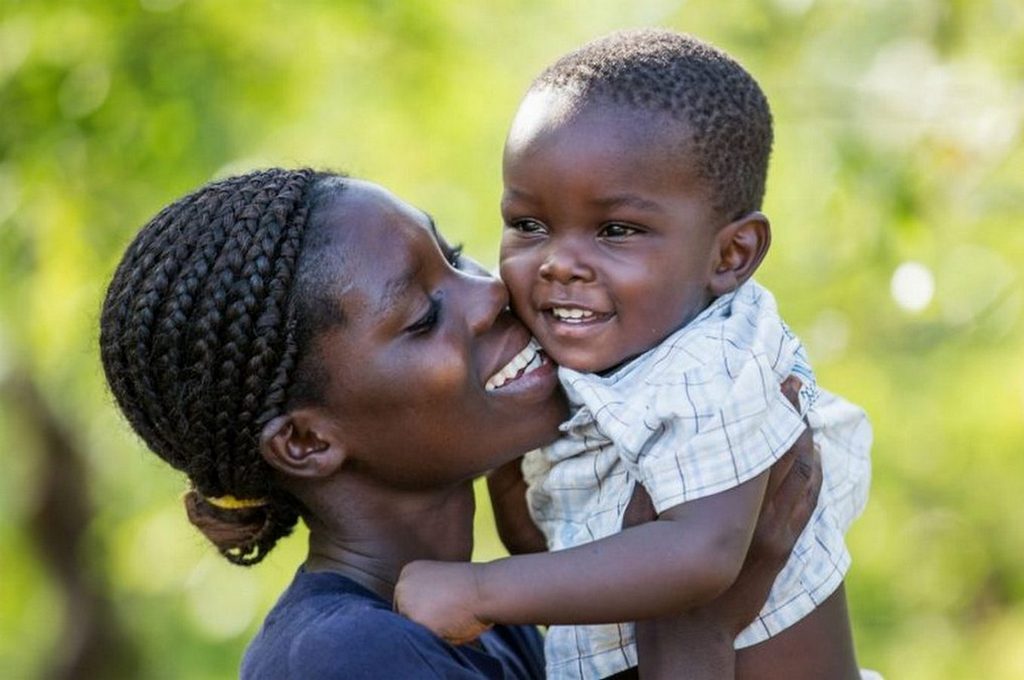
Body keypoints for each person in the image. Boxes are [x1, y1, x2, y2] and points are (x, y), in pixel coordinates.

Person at [100, 168, 822, 679]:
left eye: (452, 255)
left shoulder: (486, 617)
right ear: (308, 441)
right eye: (423, 316)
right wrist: (698, 619)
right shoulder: (343, 661)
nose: (491, 293)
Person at [394, 29, 873, 680]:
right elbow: (567, 550)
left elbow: (701, 555)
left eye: (617, 231)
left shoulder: (716, 362)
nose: (560, 263)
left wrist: (481, 590)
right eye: (529, 224)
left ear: (730, 255)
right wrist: (507, 469)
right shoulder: (599, 354)